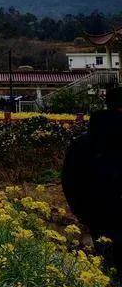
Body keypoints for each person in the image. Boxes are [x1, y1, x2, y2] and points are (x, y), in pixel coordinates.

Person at [62, 87, 122, 270]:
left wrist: (83, 214)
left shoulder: (82, 144)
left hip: (98, 218)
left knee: (108, 269)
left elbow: (69, 181)